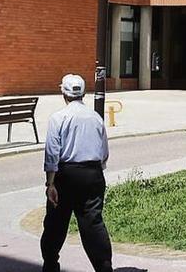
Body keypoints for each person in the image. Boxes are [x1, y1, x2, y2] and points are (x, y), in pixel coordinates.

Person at [41, 74, 112, 272]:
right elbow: (104, 152)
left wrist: (50, 184)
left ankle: (50, 265)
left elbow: (52, 154)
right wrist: (98, 171)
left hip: (66, 174)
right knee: (93, 223)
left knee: (55, 223)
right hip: (92, 173)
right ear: (85, 93)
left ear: (62, 92)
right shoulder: (96, 118)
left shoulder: (58, 118)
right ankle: (104, 266)